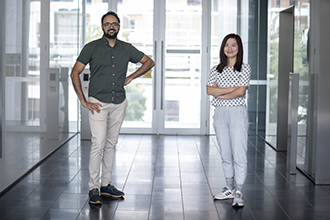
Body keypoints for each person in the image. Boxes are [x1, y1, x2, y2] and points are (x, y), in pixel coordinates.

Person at [70, 11, 155, 205]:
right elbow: (75, 72)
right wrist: (84, 101)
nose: (111, 27)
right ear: (102, 27)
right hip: (97, 102)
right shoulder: (91, 47)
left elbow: (149, 62)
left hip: (119, 102)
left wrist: (131, 77)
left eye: (114, 24)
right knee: (98, 143)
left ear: (119, 27)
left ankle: (106, 185)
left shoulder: (126, 48)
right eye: (107, 24)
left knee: (111, 143)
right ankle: (93, 187)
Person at [206, 33, 251, 207]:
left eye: (233, 45)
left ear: (239, 48)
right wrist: (232, 90)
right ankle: (229, 188)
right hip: (219, 113)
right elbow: (210, 91)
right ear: (222, 48)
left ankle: (239, 191)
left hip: (237, 112)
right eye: (226, 45)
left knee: (239, 153)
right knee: (225, 153)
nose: (229, 48)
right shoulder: (215, 69)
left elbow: (241, 92)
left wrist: (221, 92)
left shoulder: (244, 68)